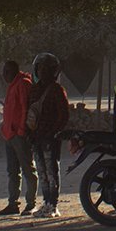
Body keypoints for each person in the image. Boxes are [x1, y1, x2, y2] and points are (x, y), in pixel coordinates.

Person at [28, 52, 72, 217]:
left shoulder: (57, 90)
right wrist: (30, 133)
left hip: (50, 138)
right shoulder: (34, 90)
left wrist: (53, 132)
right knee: (42, 171)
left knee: (52, 171)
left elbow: (63, 115)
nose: (43, 72)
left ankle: (53, 204)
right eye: (40, 68)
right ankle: (46, 201)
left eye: (47, 69)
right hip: (36, 137)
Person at [0, 59, 37, 215]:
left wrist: (21, 130)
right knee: (13, 171)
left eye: (7, 71)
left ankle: (31, 202)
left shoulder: (23, 84)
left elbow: (25, 108)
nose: (5, 74)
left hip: (19, 135)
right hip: (9, 134)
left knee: (28, 169)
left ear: (14, 70)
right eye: (4, 71)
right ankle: (13, 203)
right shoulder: (12, 85)